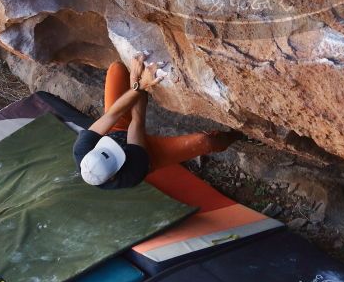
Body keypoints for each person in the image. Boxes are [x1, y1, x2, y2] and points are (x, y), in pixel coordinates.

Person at [73, 52, 240, 189]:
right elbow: (137, 121)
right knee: (206, 141)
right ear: (114, 176)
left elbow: (112, 115)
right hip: (149, 153)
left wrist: (136, 83)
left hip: (117, 131)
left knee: (116, 69)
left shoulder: (83, 150)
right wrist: (139, 83)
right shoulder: (132, 172)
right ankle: (237, 136)